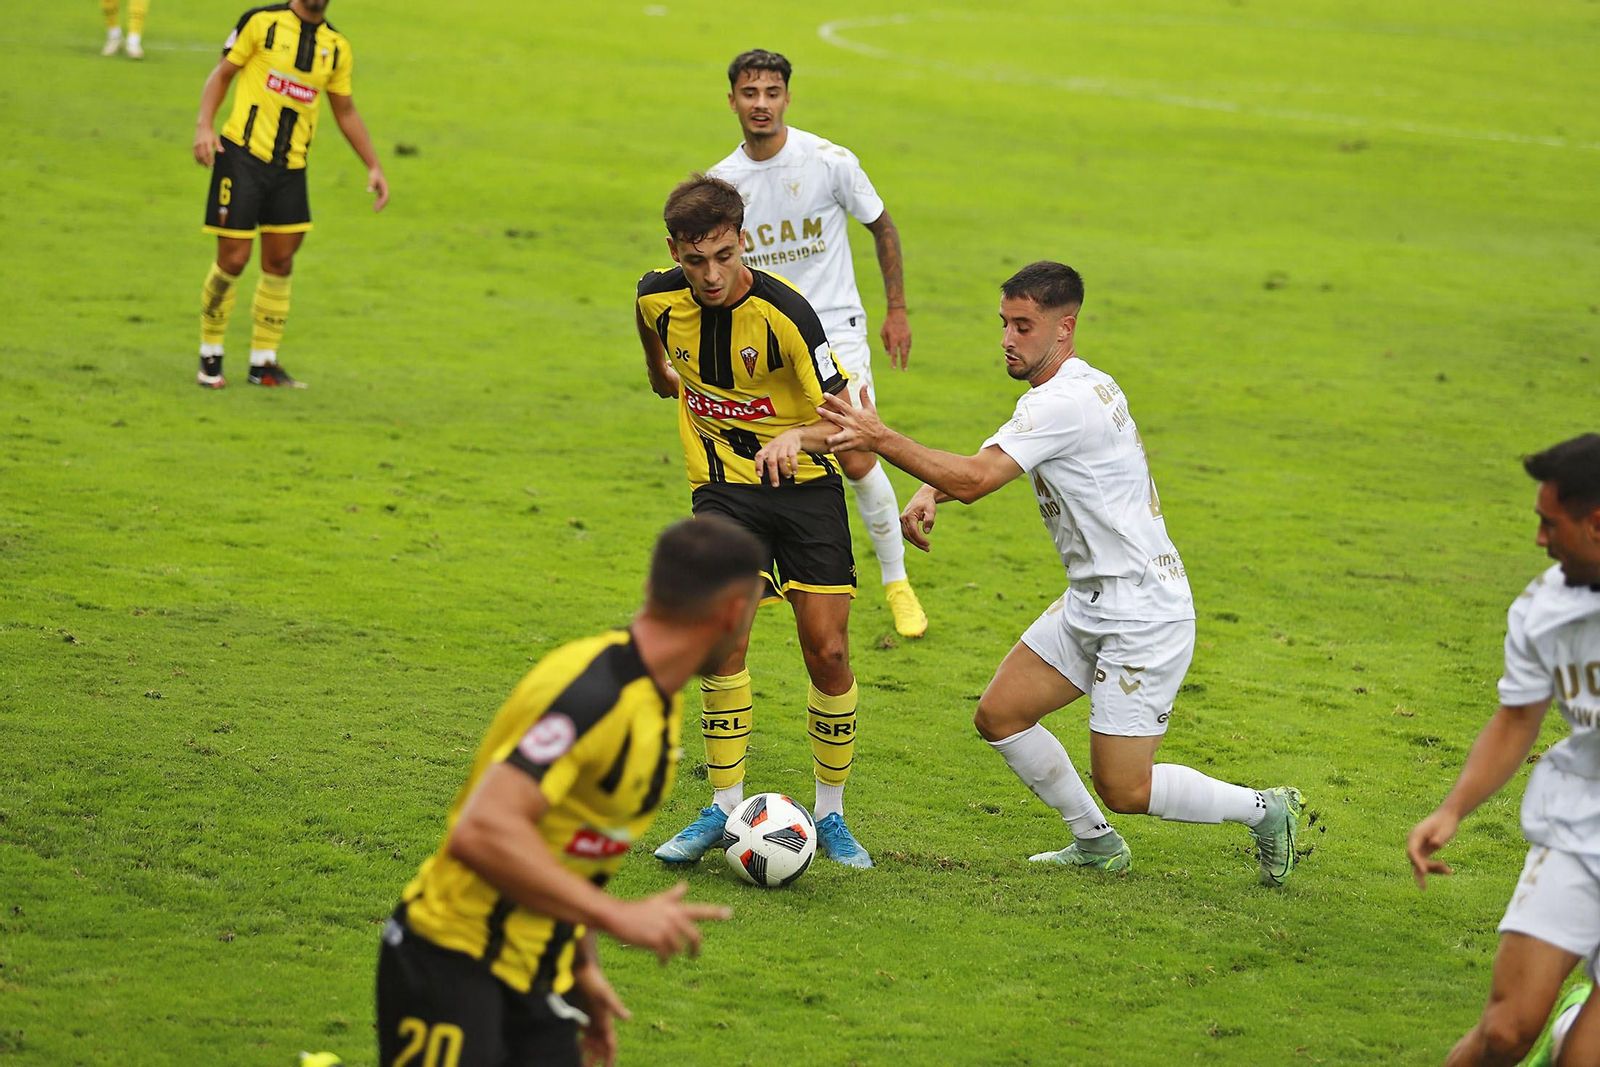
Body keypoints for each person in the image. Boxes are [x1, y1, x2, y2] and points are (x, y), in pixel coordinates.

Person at [818, 260, 1302, 883]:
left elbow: (977, 476)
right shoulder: (1076, 388)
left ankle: (1266, 811)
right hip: (1093, 600)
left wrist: (880, 438)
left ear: (1064, 328)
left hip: (1141, 612)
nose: (1007, 339)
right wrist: (930, 494)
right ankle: (1096, 844)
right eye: (1004, 323)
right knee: (1000, 714)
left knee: (1125, 786)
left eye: (1023, 326)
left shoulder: (1061, 404)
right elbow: (986, 464)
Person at [377, 517, 760, 1067]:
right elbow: (482, 830)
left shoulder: (658, 700)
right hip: (453, 965)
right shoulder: (594, 695)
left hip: (539, 975)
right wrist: (615, 916)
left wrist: (582, 968)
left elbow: (567, 843)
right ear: (732, 613)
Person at [636, 173, 874, 869]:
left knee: (826, 650)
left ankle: (829, 815)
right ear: (674, 250)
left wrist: (797, 438)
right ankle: (723, 804)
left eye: (723, 255)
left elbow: (854, 428)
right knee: (722, 638)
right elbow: (653, 345)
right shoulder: (657, 297)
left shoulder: (789, 317)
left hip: (804, 491)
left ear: (744, 241)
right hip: (722, 487)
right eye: (694, 259)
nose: (710, 275)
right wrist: (662, 375)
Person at [707, 48, 928, 640]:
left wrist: (897, 309)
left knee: (855, 452)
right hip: (763, 335)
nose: (761, 104)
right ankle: (772, 571)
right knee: (760, 448)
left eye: (772, 92)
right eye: (749, 93)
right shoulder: (724, 183)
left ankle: (896, 580)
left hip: (833, 327)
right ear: (732, 100)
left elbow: (881, 224)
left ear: (787, 97)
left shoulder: (830, 161)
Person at [1407, 433, 1600, 1067]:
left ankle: (1574, 1031)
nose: (1540, 540)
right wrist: (1452, 808)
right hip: (1580, 827)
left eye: (1550, 523)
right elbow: (1518, 719)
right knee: (1506, 1033)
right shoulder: (1544, 608)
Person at [191, 0, 389, 389]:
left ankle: (263, 363)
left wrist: (374, 164)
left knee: (280, 262)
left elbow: (345, 110)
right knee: (234, 259)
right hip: (241, 158)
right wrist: (204, 126)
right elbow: (222, 74)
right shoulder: (261, 23)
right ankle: (210, 353)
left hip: (291, 169)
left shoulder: (336, 46)